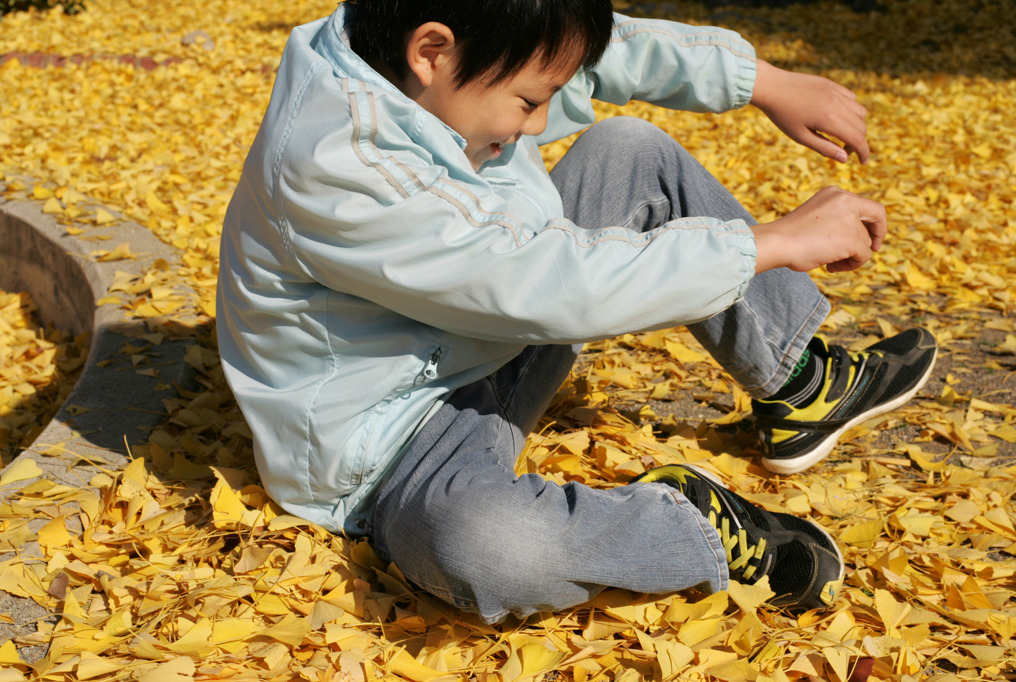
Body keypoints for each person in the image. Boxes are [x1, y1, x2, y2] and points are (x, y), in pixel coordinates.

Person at [216, 0, 937, 622]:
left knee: (627, 149)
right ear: (432, 53)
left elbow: (598, 49)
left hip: (490, 329)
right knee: (484, 549)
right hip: (397, 437)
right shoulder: (341, 166)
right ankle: (690, 524)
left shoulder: (418, 41)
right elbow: (538, 281)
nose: (537, 124)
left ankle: (804, 387)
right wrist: (771, 242)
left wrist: (766, 84)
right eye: (530, 102)